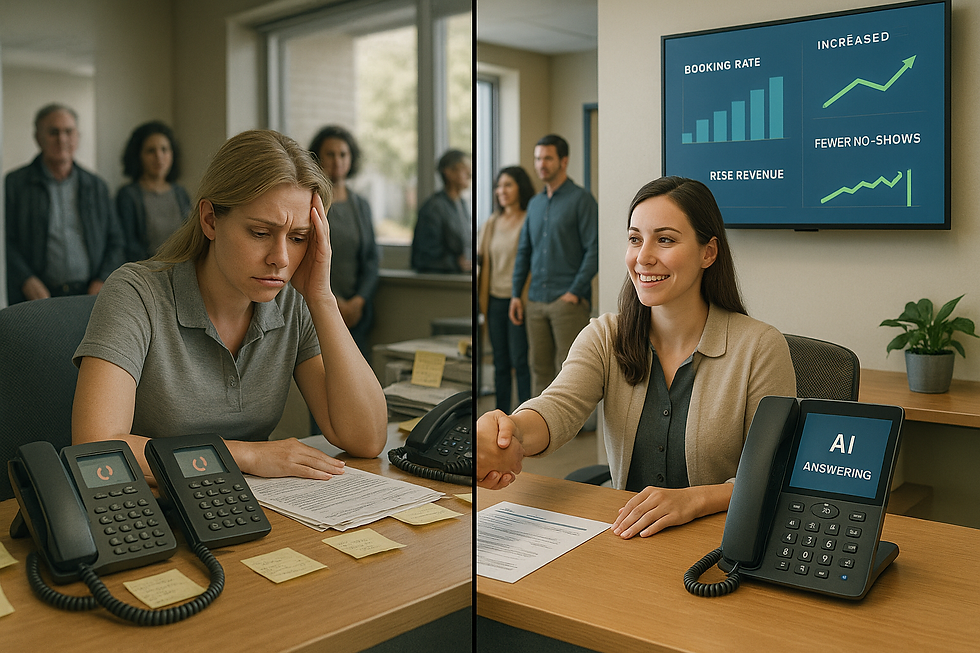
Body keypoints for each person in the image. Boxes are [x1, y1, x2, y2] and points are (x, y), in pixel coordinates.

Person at [479, 177, 796, 538]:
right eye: (635, 239)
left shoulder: (760, 347)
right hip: (630, 538)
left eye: (665, 240)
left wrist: (693, 500)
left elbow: (775, 473)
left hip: (720, 543)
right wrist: (512, 432)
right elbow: (557, 408)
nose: (643, 257)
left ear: (708, 252)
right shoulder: (605, 336)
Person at [71, 129, 388, 482]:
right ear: (210, 220)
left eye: (298, 238)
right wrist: (247, 454)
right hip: (157, 505)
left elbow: (367, 439)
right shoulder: (136, 292)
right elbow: (96, 447)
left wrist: (322, 298)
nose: (281, 258)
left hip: (255, 502)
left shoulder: (293, 302)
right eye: (260, 233)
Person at [5, 103, 123, 304]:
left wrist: (103, 279)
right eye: (53, 132)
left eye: (69, 131)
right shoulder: (15, 184)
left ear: (78, 137)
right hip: (36, 297)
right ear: (38, 138)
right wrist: (26, 279)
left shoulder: (96, 186)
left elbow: (116, 241)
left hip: (90, 295)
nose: (62, 139)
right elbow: (6, 242)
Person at [509, 134, 598, 396]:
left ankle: (574, 421)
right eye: (538, 159)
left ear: (564, 161)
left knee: (571, 372)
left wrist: (575, 291)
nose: (541, 164)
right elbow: (524, 251)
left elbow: (594, 249)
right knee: (539, 370)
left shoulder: (581, 200)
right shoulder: (535, 204)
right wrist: (516, 294)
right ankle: (538, 419)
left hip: (567, 302)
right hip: (535, 300)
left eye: (548, 158)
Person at [309, 125, 379, 359]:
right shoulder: (309, 203)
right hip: (317, 309)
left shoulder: (361, 205)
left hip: (357, 314)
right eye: (330, 154)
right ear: (317, 158)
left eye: (343, 154)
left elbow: (372, 260)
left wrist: (358, 301)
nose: (337, 161)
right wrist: (334, 301)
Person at [477, 166, 535, 414]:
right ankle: (499, 415)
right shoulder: (491, 222)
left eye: (508, 185)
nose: (501, 191)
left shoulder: (529, 219)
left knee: (520, 361)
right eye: (499, 186)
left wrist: (518, 296)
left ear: (520, 188)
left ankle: (524, 415)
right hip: (494, 300)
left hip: (518, 300)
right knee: (500, 362)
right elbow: (481, 259)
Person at [116, 121, 192, 262]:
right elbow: (129, 246)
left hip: (183, 267)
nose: (159, 156)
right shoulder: (128, 195)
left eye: (164, 149)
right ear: (138, 155)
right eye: (151, 151)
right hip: (145, 270)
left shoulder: (180, 193)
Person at [410, 149, 472, 274]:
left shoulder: (462, 205)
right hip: (439, 280)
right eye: (464, 168)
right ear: (448, 172)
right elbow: (423, 256)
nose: (470, 174)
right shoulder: (434, 207)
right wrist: (455, 263)